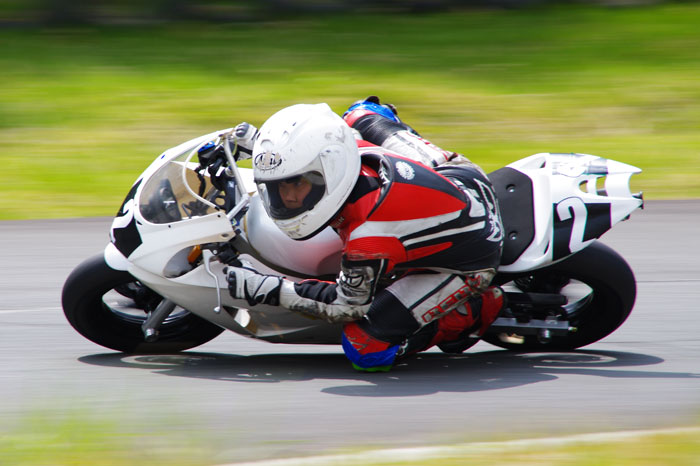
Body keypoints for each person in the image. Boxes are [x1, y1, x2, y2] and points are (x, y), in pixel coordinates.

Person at [226, 97, 505, 372]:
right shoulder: (343, 150)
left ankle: (471, 312)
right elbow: (307, 146)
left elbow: (346, 306)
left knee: (365, 348)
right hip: (461, 175)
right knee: (359, 113)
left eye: (297, 183)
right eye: (280, 186)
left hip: (471, 260)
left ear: (326, 174)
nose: (287, 197)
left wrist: (268, 289)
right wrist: (261, 148)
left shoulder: (367, 237)